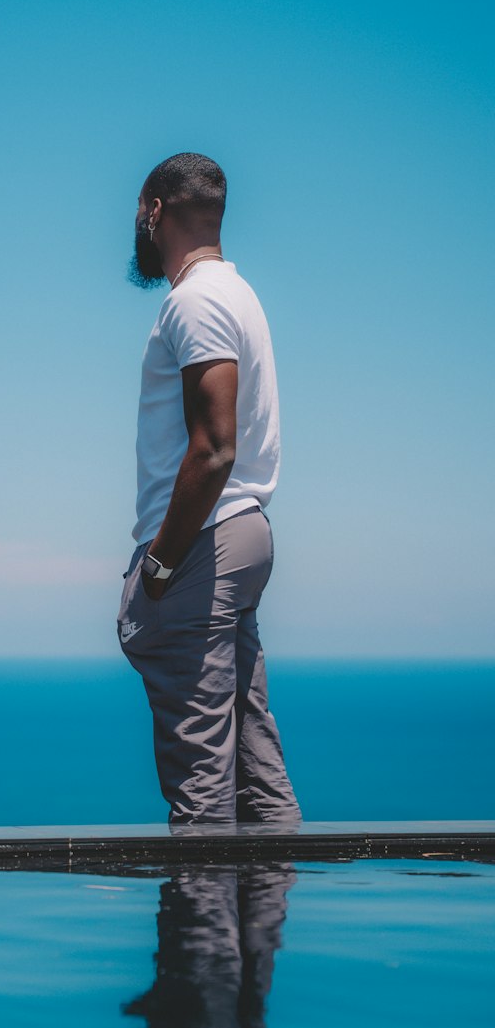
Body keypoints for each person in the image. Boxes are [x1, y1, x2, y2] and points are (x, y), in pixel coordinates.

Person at [119, 152, 299, 825]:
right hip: (240, 532)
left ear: (155, 212)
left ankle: (202, 932)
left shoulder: (194, 301)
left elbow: (215, 446)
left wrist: (160, 565)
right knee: (254, 765)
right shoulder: (239, 294)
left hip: (205, 538)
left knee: (201, 784)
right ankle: (262, 931)